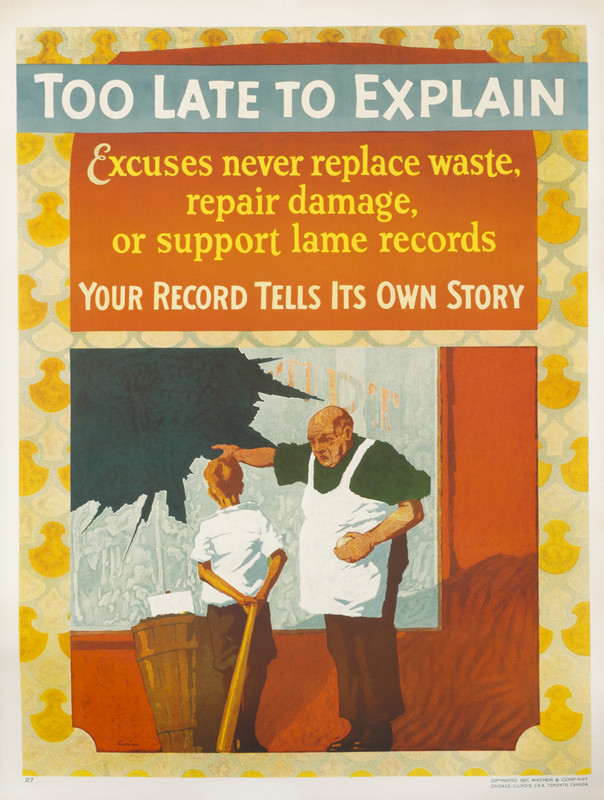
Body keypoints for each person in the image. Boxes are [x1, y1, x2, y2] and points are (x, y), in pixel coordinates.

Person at [214, 405, 430, 752]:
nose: (319, 448)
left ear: (347, 431)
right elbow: (273, 457)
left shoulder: (375, 457)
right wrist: (237, 454)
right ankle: (357, 726)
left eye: (326, 439)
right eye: (313, 441)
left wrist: (368, 540)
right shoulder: (314, 458)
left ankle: (377, 731)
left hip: (368, 570)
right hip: (331, 578)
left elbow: (412, 510)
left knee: (369, 647)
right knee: (343, 649)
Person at [191, 456, 287, 753]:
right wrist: (256, 595)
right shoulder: (256, 517)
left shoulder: (210, 526)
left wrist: (250, 597)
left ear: (210, 491)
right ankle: (241, 734)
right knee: (253, 669)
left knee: (237, 670)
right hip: (247, 607)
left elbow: (203, 572)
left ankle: (239, 735)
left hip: (235, 608)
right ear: (241, 484)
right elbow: (279, 557)